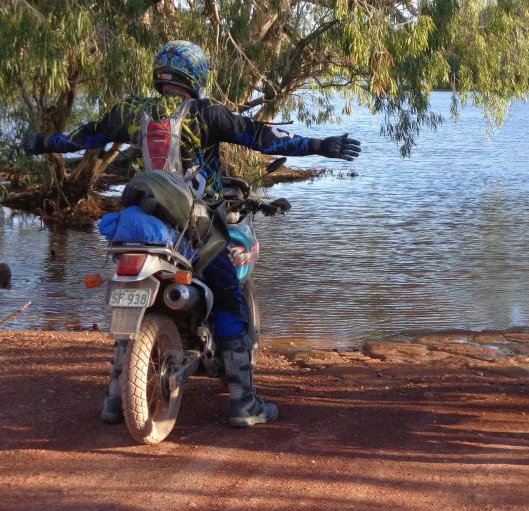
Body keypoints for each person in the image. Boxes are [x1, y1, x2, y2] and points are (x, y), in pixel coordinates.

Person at [22, 40, 361, 428]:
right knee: (231, 301)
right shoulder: (204, 113)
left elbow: (85, 138)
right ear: (195, 76)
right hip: (197, 226)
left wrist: (41, 143)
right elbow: (265, 139)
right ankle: (243, 403)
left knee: (128, 305)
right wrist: (322, 145)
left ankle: (115, 402)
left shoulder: (133, 111)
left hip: (144, 221)